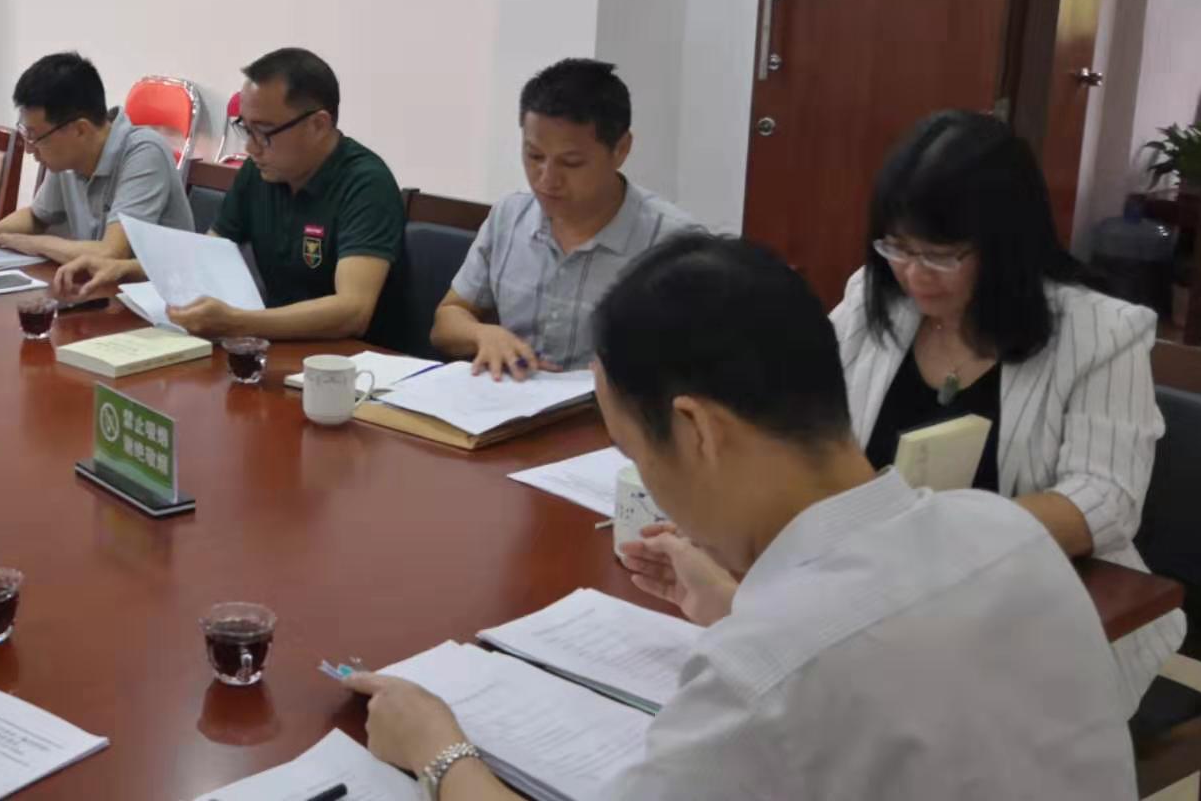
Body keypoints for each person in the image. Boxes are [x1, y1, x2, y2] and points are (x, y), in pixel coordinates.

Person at [344, 234, 1135, 800]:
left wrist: (440, 753)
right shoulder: (1005, 534)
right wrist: (738, 604)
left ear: (696, 431)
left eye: (635, 453)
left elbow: (810, 669)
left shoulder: (760, 678)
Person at [832, 109, 1183, 709]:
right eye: (898, 247)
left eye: (942, 254)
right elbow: (807, 425)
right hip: (879, 597)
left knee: (892, 718)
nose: (914, 273)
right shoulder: (876, 299)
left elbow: (1105, 500)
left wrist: (943, 537)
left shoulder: (1101, 332)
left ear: (1004, 245)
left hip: (1037, 610)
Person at [53, 47, 415, 348]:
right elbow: (207, 256)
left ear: (318, 125)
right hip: (280, 348)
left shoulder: (365, 183)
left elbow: (353, 311)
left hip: (357, 366)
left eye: (264, 132)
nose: (251, 148)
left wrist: (238, 321)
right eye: (245, 129)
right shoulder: (261, 171)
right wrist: (125, 269)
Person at [431, 59, 698, 377]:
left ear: (621, 149)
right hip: (512, 400)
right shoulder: (510, 216)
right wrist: (483, 334)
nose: (547, 180)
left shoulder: (675, 245)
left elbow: (696, 372)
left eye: (571, 163)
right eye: (534, 156)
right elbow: (447, 319)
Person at [0, 51, 194, 263]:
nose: (29, 149)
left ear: (80, 130)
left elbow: (111, 253)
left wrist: (29, 243)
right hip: (100, 293)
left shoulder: (144, 154)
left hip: (159, 302)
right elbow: (36, 217)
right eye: (26, 134)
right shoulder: (70, 158)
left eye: (35, 137)